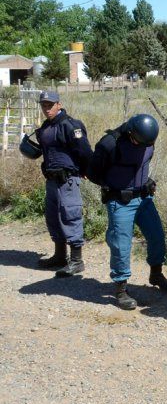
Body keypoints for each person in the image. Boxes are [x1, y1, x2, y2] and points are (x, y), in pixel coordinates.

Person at [88, 114, 167, 310]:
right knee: (121, 245)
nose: (141, 146)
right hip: (120, 201)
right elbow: (93, 172)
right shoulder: (109, 144)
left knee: (157, 237)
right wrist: (114, 187)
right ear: (130, 133)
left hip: (144, 198)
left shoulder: (148, 140)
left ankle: (156, 273)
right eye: (138, 142)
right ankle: (120, 288)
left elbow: (142, 164)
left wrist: (145, 180)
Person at [20, 91, 93, 277]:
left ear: (58, 104)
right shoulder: (46, 127)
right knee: (53, 217)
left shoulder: (70, 125)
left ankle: (77, 261)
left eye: (50, 105)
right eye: (43, 105)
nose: (46, 109)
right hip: (51, 180)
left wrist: (86, 170)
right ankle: (60, 256)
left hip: (68, 180)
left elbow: (85, 151)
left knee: (70, 216)